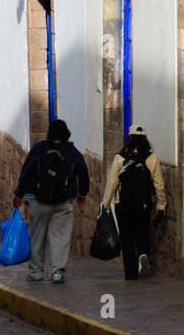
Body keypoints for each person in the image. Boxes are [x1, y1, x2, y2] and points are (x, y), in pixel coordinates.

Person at [14, 118, 89, 284]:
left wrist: (19, 194)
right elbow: (83, 172)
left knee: (37, 237)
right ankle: (57, 272)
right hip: (64, 202)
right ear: (67, 134)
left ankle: (36, 272)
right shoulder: (72, 152)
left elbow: (27, 171)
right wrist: (82, 195)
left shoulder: (39, 149)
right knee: (60, 237)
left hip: (38, 201)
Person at [102, 125, 166, 280]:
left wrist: (104, 205)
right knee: (142, 232)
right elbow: (159, 184)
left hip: (122, 204)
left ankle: (130, 273)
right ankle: (143, 253)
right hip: (144, 204)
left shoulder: (120, 158)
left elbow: (112, 183)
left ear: (129, 138)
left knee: (126, 238)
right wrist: (161, 205)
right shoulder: (152, 159)